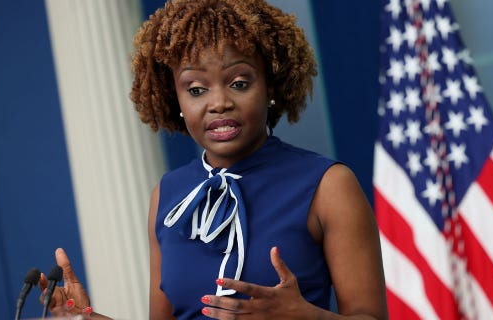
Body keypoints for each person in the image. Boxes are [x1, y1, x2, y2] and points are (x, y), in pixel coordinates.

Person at [39, 0, 388, 319]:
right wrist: (85, 318)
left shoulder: (328, 185)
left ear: (270, 86)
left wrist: (306, 316)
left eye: (238, 82)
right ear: (173, 97)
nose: (218, 102)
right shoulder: (167, 195)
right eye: (195, 89)